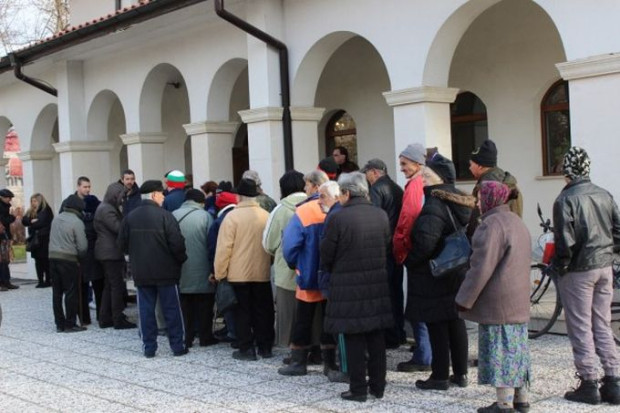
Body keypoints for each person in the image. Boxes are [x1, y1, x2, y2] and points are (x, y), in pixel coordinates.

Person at [550, 147, 620, 406]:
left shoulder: (565, 199)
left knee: (580, 326)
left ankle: (589, 383)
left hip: (579, 269)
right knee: (601, 323)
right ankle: (613, 381)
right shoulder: (604, 194)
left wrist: (560, 266)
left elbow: (564, 243)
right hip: (604, 266)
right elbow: (618, 231)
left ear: (567, 170)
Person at [456, 181, 532, 413]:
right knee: (517, 349)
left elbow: (480, 267)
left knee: (501, 351)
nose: (477, 203)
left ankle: (504, 404)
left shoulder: (491, 225)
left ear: (489, 199)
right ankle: (522, 398)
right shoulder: (516, 221)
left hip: (499, 302)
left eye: (479, 198)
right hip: (518, 299)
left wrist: (464, 298)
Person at [320, 172, 393, 402]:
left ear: (347, 193)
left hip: (347, 286)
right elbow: (387, 247)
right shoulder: (381, 215)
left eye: (340, 193)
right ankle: (378, 386)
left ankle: (358, 389)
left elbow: (326, 255)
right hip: (376, 285)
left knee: (353, 338)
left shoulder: (338, 218)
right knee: (376, 337)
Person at [405, 153, 471, 391]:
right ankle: (461, 373)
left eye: (426, 175)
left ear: (439, 178)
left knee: (437, 324)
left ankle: (440, 376)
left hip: (436, 272)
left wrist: (410, 262)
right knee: (455, 321)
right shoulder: (460, 199)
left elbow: (425, 242)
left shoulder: (435, 203)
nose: (422, 179)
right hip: (457, 269)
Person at [118, 180, 188, 358]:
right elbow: (177, 244)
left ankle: (149, 347)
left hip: (142, 272)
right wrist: (180, 261)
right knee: (172, 309)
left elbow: (122, 245)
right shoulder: (166, 216)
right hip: (166, 271)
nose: (164, 197)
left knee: (146, 310)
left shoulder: (130, 217)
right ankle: (177, 346)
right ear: (154, 195)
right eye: (161, 194)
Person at [279, 170, 337, 376]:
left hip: (309, 272)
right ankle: (330, 363)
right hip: (332, 276)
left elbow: (290, 246)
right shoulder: (337, 207)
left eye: (306, 185)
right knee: (329, 319)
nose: (304, 189)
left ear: (314, 186)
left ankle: (298, 362)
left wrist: (296, 264)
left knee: (303, 319)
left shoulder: (304, 211)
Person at [214, 178, 274, 360]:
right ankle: (265, 347)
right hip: (261, 272)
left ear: (238, 196)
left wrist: (220, 273)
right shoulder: (265, 215)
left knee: (242, 313)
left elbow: (224, 248)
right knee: (263, 311)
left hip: (238, 274)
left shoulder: (231, 217)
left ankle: (246, 348)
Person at [392, 143, 432, 372]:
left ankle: (423, 355)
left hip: (414, 252)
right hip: (423, 251)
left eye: (405, 164)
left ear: (418, 164)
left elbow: (407, 219)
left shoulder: (415, 185)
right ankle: (426, 352)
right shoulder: (422, 182)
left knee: (418, 306)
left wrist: (400, 248)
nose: (402, 168)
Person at [362, 158, 406, 348]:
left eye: (367, 173)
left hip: (384, 248)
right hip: (396, 246)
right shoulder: (397, 187)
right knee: (396, 292)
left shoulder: (376, 189)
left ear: (374, 172)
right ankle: (399, 332)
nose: (366, 177)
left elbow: (374, 219)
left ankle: (390, 336)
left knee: (385, 293)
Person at [262, 170, 308, 347]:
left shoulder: (280, 210)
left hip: (286, 272)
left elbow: (268, 243)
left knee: (287, 314)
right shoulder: (315, 204)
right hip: (310, 270)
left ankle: (290, 348)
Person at [173, 189, 218, 348]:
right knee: (205, 306)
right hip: (203, 269)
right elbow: (212, 244)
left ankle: (188, 336)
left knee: (185, 306)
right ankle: (205, 337)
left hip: (181, 269)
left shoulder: (174, 215)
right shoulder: (206, 216)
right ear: (201, 202)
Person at [94, 182, 135, 329]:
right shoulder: (107, 210)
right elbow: (118, 228)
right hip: (110, 252)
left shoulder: (105, 208)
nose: (123, 199)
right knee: (116, 285)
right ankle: (117, 318)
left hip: (107, 252)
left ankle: (105, 318)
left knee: (109, 286)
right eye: (122, 196)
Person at [467, 139, 522, 238]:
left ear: (480, 166)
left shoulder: (488, 188)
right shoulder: (504, 181)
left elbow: (480, 218)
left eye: (471, 164)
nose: (469, 168)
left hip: (491, 240)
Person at [49, 195, 88, 332]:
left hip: (53, 258)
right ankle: (70, 323)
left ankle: (59, 324)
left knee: (57, 292)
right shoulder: (77, 222)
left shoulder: (56, 219)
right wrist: (80, 257)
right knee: (71, 292)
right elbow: (82, 246)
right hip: (69, 260)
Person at [208, 181, 238, 344]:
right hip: (245, 269)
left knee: (228, 301)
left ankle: (233, 332)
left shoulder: (219, 222)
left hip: (227, 268)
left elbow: (215, 249)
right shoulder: (240, 216)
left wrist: (215, 271)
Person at [22, 193, 54, 288]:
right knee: (38, 261)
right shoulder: (31, 211)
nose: (33, 203)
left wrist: (32, 222)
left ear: (40, 201)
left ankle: (48, 280)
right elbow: (24, 220)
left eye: (35, 201)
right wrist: (31, 221)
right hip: (35, 239)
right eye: (32, 201)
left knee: (45, 260)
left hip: (44, 238)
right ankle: (40, 280)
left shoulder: (46, 210)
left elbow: (41, 223)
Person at [0, 189, 18, 291]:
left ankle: (6, 281)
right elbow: (5, 220)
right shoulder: (2, 207)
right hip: (2, 236)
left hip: (4, 236)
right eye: (8, 198)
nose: (10, 200)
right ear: (2, 197)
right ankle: (4, 282)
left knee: (5, 260)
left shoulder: (5, 206)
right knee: (3, 260)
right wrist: (13, 217)